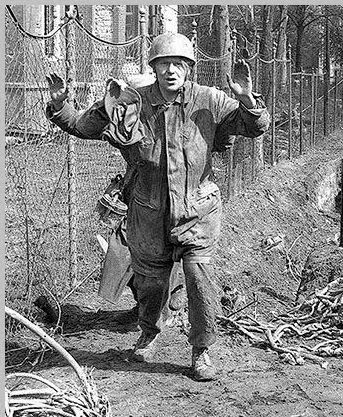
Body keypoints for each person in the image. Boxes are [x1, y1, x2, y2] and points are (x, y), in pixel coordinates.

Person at [46, 32, 270, 381]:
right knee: (151, 282)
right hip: (147, 210)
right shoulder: (129, 102)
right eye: (164, 63)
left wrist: (247, 101)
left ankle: (202, 350)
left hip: (197, 209)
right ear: (154, 67)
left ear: (189, 68)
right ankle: (150, 332)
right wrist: (61, 105)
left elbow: (253, 127)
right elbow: (83, 126)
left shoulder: (209, 100)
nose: (171, 70)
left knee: (198, 277)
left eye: (178, 64)